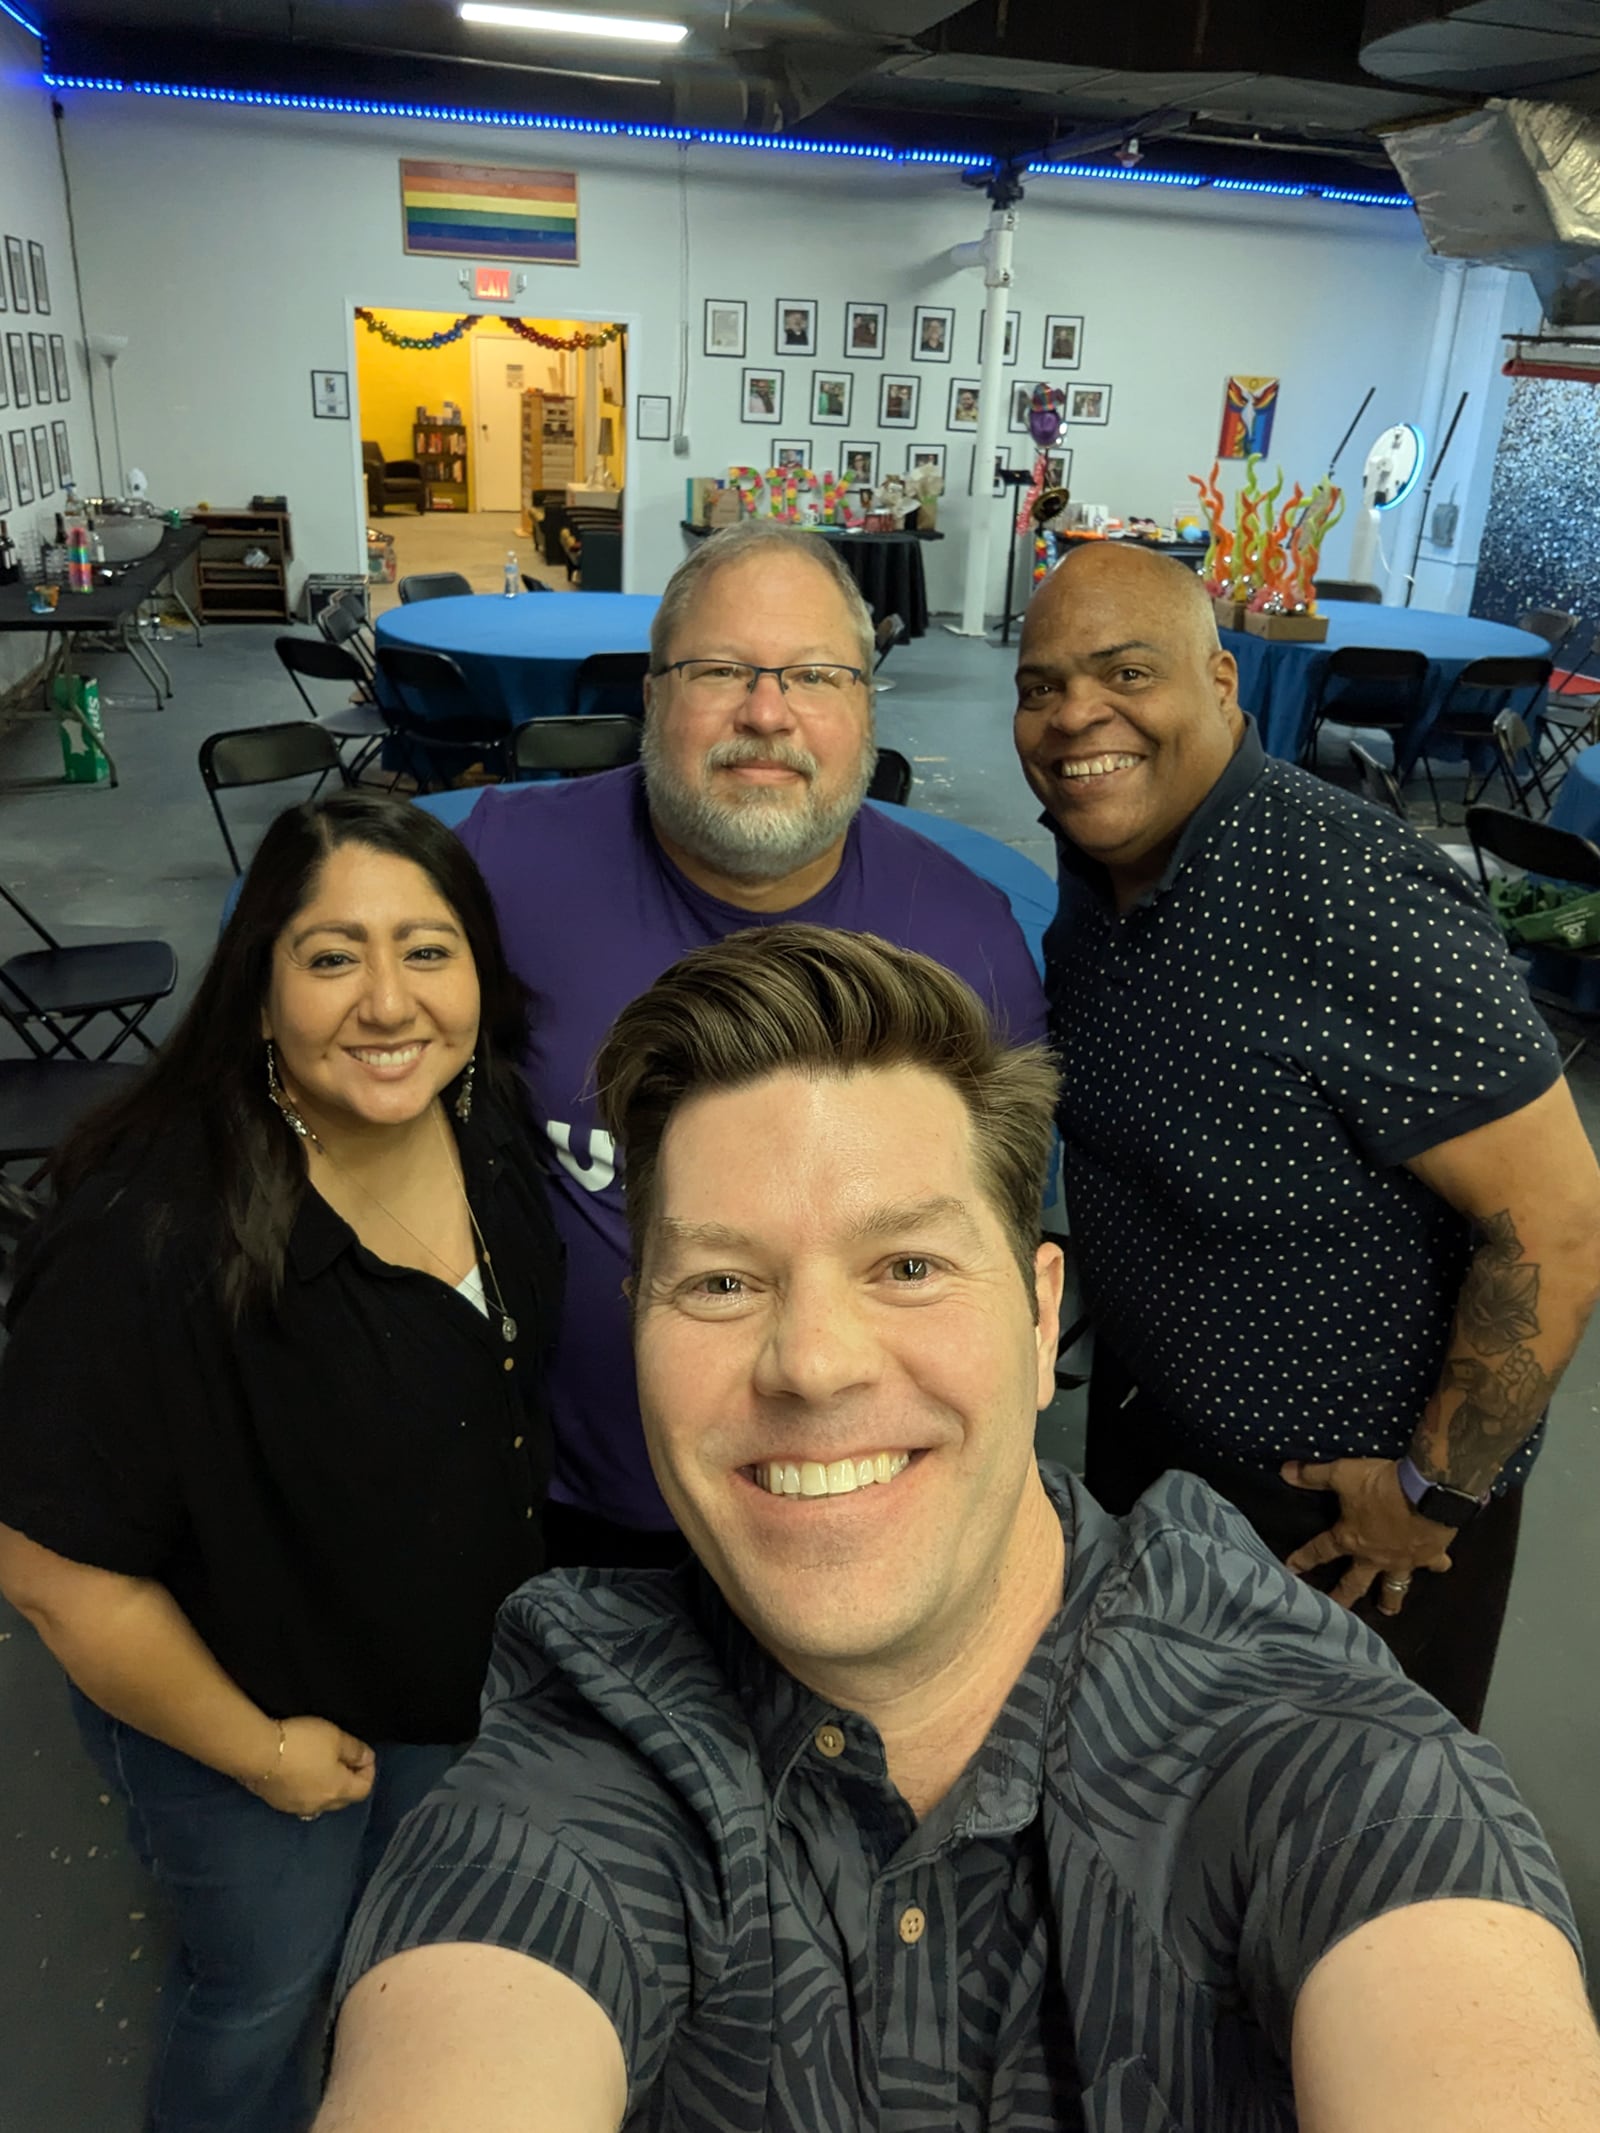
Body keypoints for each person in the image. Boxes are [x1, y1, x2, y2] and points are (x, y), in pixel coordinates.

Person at [314, 926, 1599, 2133]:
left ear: (1042, 1321)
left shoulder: (1326, 1764)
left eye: (909, 1267)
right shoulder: (579, 1747)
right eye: (719, 1281)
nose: (811, 1363)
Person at [0, 793, 563, 2133]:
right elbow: (51, 1572)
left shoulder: (488, 1131)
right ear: (258, 992)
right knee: (260, 1987)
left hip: (434, 1677)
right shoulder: (153, 1233)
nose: (387, 1001)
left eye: (429, 950)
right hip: (243, 1715)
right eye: (330, 956)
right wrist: (261, 1755)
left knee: (384, 1939)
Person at [1012, 542, 1600, 1729]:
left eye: (1126, 672)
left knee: (1338, 1863)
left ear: (1221, 682)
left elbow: (1556, 1218)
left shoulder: (1348, 890)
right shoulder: (1105, 870)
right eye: (1040, 686)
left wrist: (1431, 1492)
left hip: (1339, 1521)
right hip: (1157, 1455)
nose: (1077, 716)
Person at [452, 519, 1045, 1568]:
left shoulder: (970, 943)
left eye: (814, 675)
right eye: (721, 670)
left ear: (865, 708)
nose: (766, 714)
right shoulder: (494, 874)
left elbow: (989, 1258)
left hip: (844, 1507)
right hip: (542, 1506)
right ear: (651, 696)